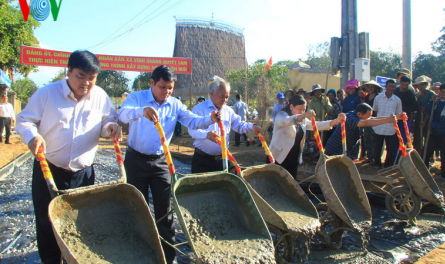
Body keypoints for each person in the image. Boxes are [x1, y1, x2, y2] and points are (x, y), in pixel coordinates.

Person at [15, 50, 122, 264]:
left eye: (91, 78)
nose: (86, 83)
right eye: (81, 76)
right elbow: (24, 120)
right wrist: (33, 137)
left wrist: (110, 127)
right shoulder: (47, 94)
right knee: (47, 224)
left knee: (80, 223)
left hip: (83, 175)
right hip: (50, 171)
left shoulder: (100, 96)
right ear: (69, 71)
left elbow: (107, 119)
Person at [118, 65, 220, 263]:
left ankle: (168, 256)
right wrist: (141, 111)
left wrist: (209, 119)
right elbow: (123, 114)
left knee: (165, 211)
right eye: (162, 87)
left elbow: (192, 120)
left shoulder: (175, 104)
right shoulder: (137, 98)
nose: (166, 92)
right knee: (138, 208)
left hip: (161, 162)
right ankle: (141, 253)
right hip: (136, 160)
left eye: (170, 88)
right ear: (152, 83)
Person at [188, 78, 262, 173]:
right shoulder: (199, 109)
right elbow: (192, 130)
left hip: (222, 160)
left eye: (227, 97)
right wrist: (206, 134)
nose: (224, 100)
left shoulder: (228, 111)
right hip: (203, 160)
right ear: (212, 93)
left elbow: (239, 125)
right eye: (222, 96)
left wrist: (252, 126)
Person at [269, 94, 345, 179]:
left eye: (304, 110)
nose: (302, 112)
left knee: (291, 182)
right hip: (278, 156)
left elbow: (316, 125)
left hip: (293, 156)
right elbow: (287, 121)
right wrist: (303, 116)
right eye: (299, 109)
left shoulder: (302, 119)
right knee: (275, 181)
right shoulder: (281, 116)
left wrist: (335, 121)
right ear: (291, 106)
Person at [325, 103, 397, 157]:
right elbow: (366, 123)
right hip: (334, 150)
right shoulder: (349, 118)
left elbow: (371, 119)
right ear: (359, 114)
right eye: (367, 117)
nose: (369, 118)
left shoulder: (357, 114)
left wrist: (393, 118)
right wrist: (387, 120)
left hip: (344, 150)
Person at [423, 82, 445, 181]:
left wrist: (434, 125)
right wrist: (431, 102)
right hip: (434, 133)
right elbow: (429, 112)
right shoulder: (436, 102)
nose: (444, 94)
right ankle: (424, 172)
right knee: (426, 152)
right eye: (442, 92)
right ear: (439, 92)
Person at [371, 79, 403, 168]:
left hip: (391, 128)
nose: (391, 88)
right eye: (389, 86)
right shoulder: (378, 98)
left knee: (390, 148)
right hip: (379, 126)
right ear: (386, 87)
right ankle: (377, 162)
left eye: (393, 87)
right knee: (377, 146)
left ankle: (388, 164)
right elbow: (375, 111)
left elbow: (398, 114)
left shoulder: (397, 100)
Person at [394, 75, 418, 153]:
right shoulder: (395, 91)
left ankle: (402, 157)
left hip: (405, 120)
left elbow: (415, 107)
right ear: (400, 83)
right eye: (403, 84)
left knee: (403, 139)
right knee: (394, 139)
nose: (404, 87)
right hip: (394, 119)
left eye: (406, 85)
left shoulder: (410, 94)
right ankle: (393, 159)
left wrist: (402, 108)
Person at [413, 76, 435, 155]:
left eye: (422, 85)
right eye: (419, 85)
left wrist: (425, 121)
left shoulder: (430, 94)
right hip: (419, 118)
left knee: (428, 138)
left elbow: (431, 108)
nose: (420, 87)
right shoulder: (417, 95)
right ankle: (418, 155)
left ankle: (428, 156)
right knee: (417, 139)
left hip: (428, 119)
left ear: (426, 85)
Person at [361, 80, 383, 163]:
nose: (370, 88)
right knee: (367, 138)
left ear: (375, 88)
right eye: (369, 87)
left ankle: (375, 157)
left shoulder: (378, 97)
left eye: (372, 87)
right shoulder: (366, 97)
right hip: (367, 120)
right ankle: (369, 156)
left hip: (374, 120)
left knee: (374, 139)